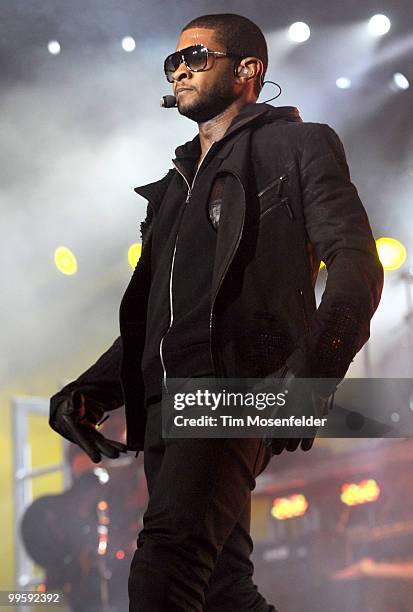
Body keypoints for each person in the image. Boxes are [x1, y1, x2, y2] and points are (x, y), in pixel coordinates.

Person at [49, 13, 384, 612]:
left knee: (163, 571)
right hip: (165, 404)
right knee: (224, 591)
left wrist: (308, 381)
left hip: (234, 389)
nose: (178, 69)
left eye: (195, 57)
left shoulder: (297, 146)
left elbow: (357, 269)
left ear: (248, 70)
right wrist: (93, 389)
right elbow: (156, 320)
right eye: (172, 62)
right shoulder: (173, 186)